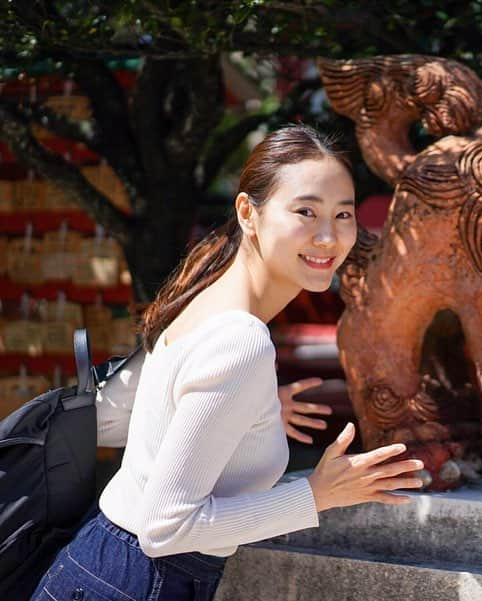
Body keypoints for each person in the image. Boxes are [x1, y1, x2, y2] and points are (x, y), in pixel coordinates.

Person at [30, 125, 425, 601]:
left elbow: (167, 411)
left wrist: (253, 412)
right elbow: (166, 527)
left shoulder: (204, 295)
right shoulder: (242, 339)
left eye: (343, 214)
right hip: (138, 582)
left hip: (106, 567)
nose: (328, 236)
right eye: (305, 211)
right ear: (248, 213)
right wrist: (320, 494)